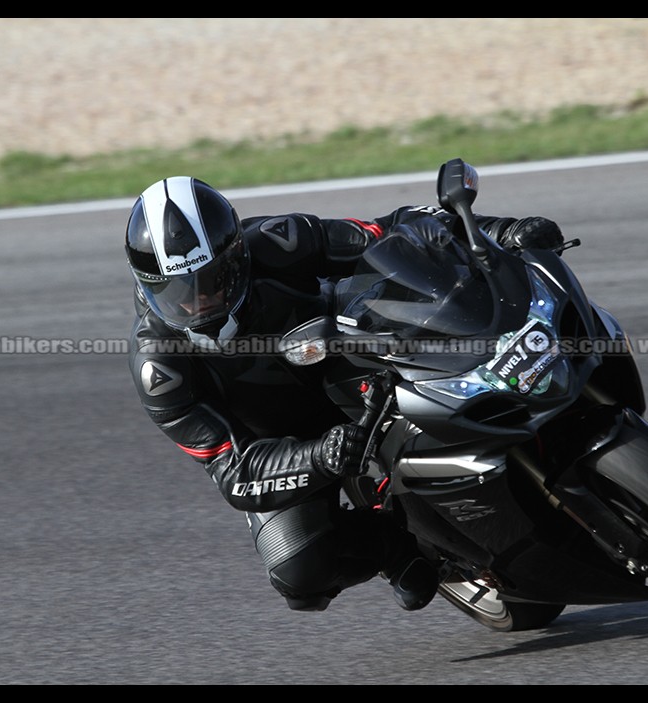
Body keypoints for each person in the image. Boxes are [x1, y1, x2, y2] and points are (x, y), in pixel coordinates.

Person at [125, 176, 563, 612]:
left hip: (353, 357)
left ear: (236, 256)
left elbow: (395, 229)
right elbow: (235, 473)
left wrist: (501, 231)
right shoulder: (160, 369)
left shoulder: (279, 240)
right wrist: (318, 456)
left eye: (210, 280)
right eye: (176, 292)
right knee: (299, 574)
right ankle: (396, 546)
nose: (197, 303)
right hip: (287, 442)